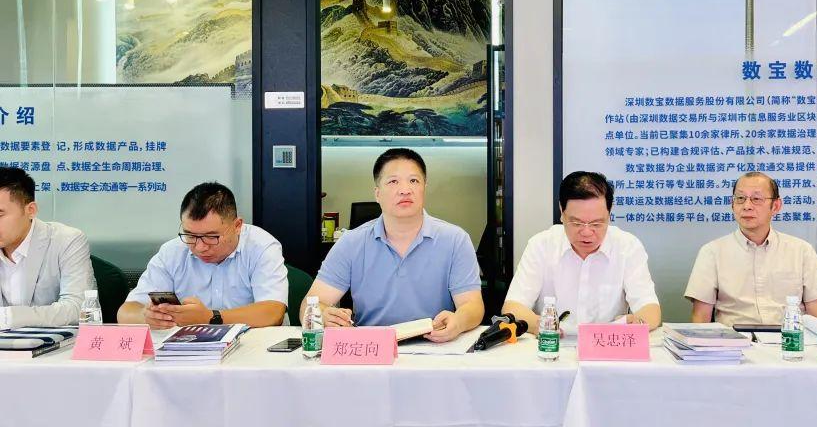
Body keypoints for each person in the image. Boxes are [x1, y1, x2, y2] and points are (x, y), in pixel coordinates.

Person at [305, 148, 484, 342]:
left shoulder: (455, 239)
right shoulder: (351, 242)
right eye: (393, 181)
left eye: (414, 181)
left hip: (436, 345)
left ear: (424, 188)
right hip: (371, 347)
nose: (405, 189)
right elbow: (310, 305)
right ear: (377, 193)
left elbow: (472, 305)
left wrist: (458, 322)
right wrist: (323, 315)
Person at [502, 171, 661, 333]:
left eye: (596, 224)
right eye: (576, 223)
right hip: (552, 343)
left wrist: (637, 323)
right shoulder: (541, 245)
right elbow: (513, 307)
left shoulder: (627, 247)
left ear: (609, 213)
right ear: (561, 211)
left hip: (606, 344)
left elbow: (649, 308)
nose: (586, 232)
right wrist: (546, 326)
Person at [118, 182, 287, 328]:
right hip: (187, 349)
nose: (200, 247)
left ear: (237, 226)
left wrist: (210, 317)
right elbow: (126, 312)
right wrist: (147, 317)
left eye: (211, 237)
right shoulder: (172, 252)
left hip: (253, 346)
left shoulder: (261, 247)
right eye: (190, 235)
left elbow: (273, 312)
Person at [685, 171, 817, 325]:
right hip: (733, 337)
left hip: (788, 337)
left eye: (756, 199)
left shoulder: (801, 251)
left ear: (775, 206)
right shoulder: (712, 252)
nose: (747, 206)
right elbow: (700, 318)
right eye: (740, 198)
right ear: (732, 205)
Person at [0, 167, 94, 328]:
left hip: (56, 343)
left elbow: (80, 308)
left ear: (30, 210)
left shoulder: (66, 240)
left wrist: (9, 317)